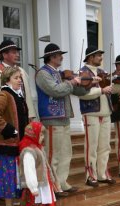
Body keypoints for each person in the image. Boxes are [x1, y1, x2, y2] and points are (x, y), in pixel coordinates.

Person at [35, 43, 87, 196]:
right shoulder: (43, 74)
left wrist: (88, 83)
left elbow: (79, 91)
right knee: (53, 154)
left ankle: (62, 182)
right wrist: (72, 82)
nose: (62, 57)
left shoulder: (59, 73)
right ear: (51, 57)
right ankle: (52, 185)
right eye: (59, 55)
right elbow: (55, 90)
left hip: (63, 118)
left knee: (66, 153)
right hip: (51, 118)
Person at [0, 66, 31, 206]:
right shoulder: (4, 95)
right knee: (9, 177)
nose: (19, 80)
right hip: (7, 146)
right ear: (7, 80)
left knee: (18, 177)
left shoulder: (18, 95)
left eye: (20, 77)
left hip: (18, 144)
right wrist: (8, 129)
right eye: (16, 78)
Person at [79, 46, 116, 187]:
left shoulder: (103, 72)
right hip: (91, 113)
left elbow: (109, 91)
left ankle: (102, 174)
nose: (101, 57)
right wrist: (101, 90)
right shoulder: (82, 72)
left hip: (106, 112)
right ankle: (90, 175)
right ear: (90, 57)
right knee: (91, 146)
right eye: (98, 55)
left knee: (105, 146)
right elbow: (82, 94)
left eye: (101, 55)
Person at [19, 122, 57, 206]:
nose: (43, 138)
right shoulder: (29, 151)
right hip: (35, 188)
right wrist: (33, 187)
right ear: (33, 135)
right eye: (40, 135)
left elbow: (46, 166)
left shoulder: (38, 148)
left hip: (43, 186)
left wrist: (52, 181)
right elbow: (29, 171)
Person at [0, 40, 36, 122]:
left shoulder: (22, 71)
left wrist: (30, 114)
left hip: (23, 115)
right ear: (4, 54)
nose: (17, 55)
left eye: (17, 52)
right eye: (14, 52)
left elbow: (27, 94)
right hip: (5, 117)